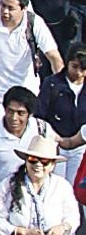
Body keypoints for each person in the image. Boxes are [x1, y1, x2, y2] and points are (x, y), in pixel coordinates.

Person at [0, 135, 80, 234]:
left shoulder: (62, 186)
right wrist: (20, 231)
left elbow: (73, 217)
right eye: (33, 159)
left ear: (52, 165)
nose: (38, 164)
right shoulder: (8, 185)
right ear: (26, 161)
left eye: (44, 161)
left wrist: (62, 227)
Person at [36, 43, 86, 186]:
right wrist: (53, 138)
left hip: (81, 146)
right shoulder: (52, 83)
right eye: (74, 67)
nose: (78, 73)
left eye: (83, 69)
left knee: (76, 187)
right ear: (67, 62)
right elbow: (40, 115)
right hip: (55, 144)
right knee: (55, 185)